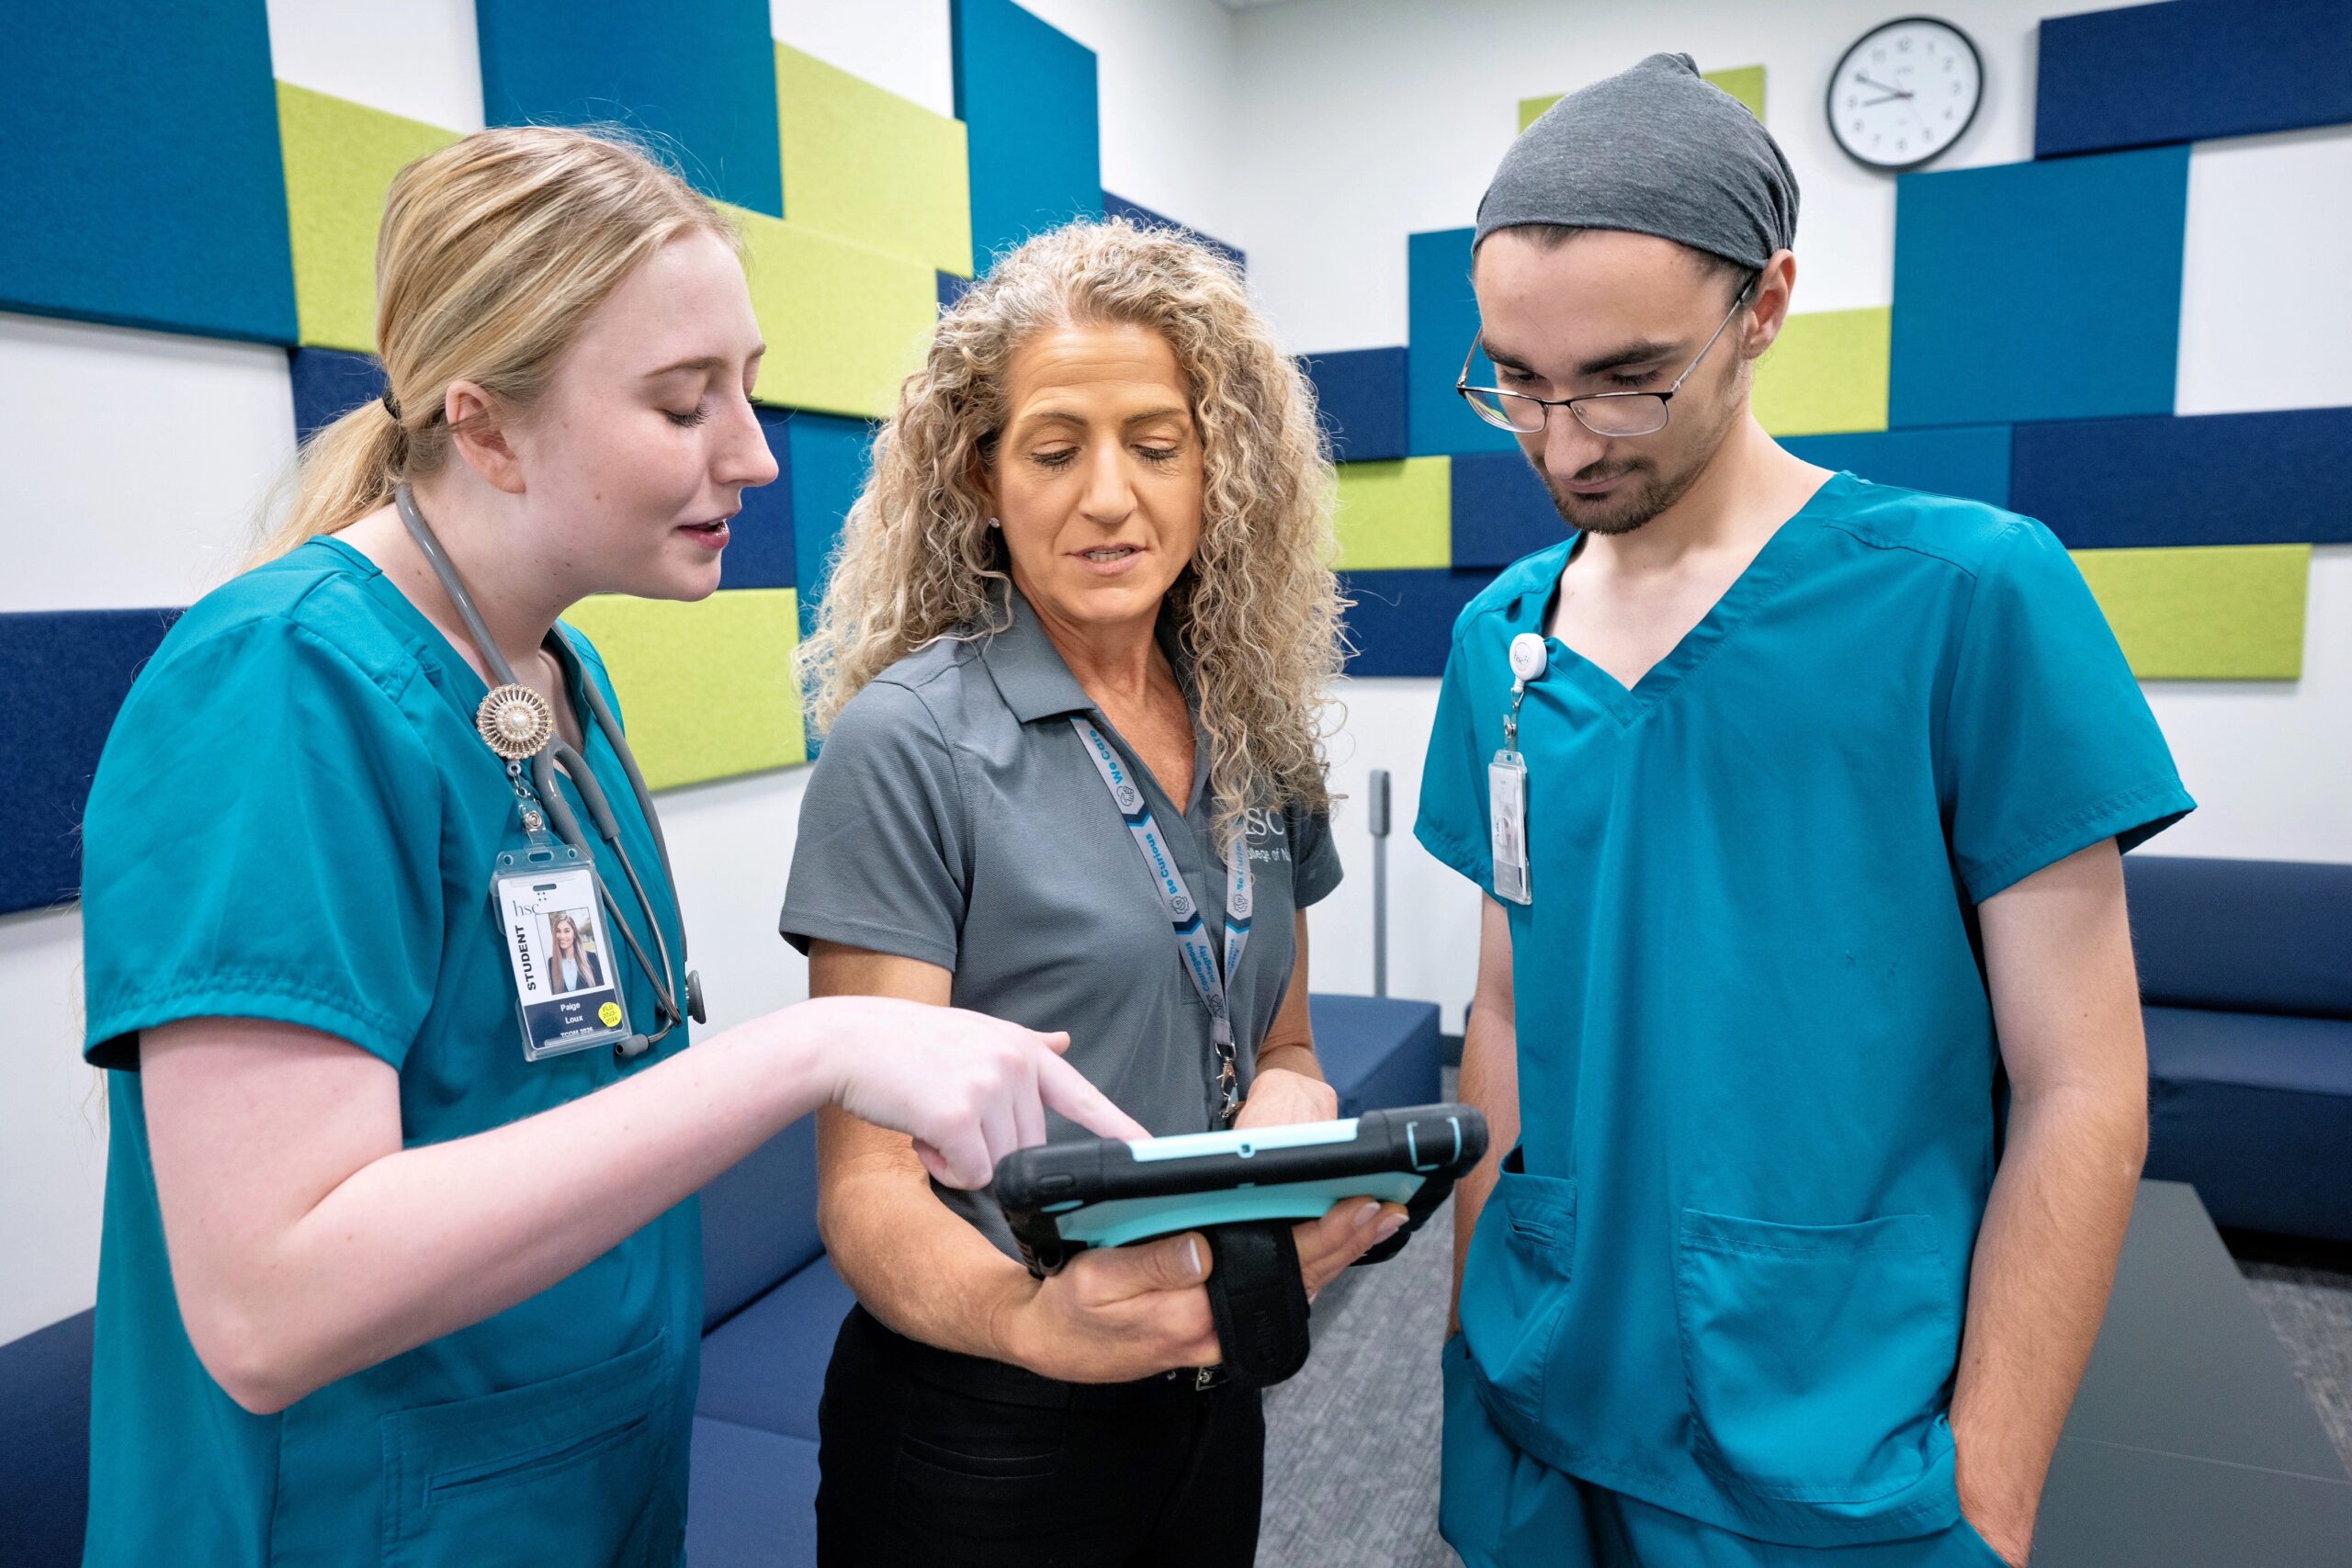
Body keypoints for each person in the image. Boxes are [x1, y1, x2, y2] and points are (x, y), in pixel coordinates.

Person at [74, 126, 1142, 1568]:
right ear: (486, 424)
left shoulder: (558, 684)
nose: (755, 453)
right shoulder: (278, 688)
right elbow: (270, 1305)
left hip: (580, 1490)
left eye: (746, 387)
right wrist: (805, 1051)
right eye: (682, 402)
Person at [1420, 55, 2194, 1568]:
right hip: (1548, 1382)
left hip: (1843, 1430)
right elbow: (1507, 1013)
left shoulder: (1968, 596)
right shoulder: (1500, 639)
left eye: (1630, 378)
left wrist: (1995, 1492)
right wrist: (1469, 1333)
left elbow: (2081, 1083)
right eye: (1516, 378)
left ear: (1763, 306)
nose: (1564, 440)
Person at [783, 217, 1406, 1566]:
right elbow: (867, 1180)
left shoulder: (1254, 724)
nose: (1109, 496)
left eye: (1156, 445)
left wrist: (1293, 1115)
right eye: (1055, 449)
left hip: (1211, 1369)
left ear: (1218, 470)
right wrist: (1031, 1321)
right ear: (982, 473)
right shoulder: (912, 741)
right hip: (986, 1410)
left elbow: (1282, 1038)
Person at [548, 909, 606, 994]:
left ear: (574, 934)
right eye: (558, 931)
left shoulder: (591, 958)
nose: (562, 936)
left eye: (567, 931)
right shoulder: (551, 962)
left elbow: (603, 991)